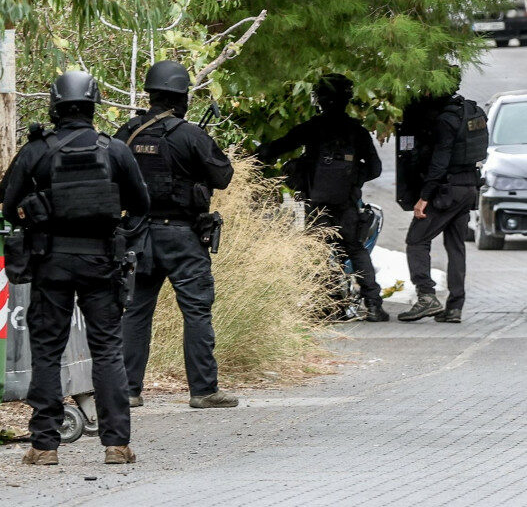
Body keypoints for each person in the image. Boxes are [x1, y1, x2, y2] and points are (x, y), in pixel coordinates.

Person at [2, 70, 150, 465]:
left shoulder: (37, 151)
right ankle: (116, 445)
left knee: (47, 351)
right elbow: (141, 206)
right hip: (101, 262)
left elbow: (8, 206)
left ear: (55, 106)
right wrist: (118, 233)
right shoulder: (114, 150)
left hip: (50, 263)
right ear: (93, 105)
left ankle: (44, 446)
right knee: (107, 349)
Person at [114, 60, 238, 409]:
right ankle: (203, 391)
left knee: (135, 312)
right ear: (182, 97)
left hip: (137, 234)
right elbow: (223, 177)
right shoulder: (190, 135)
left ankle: (128, 390)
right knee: (196, 311)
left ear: (151, 94)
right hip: (182, 236)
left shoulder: (128, 132)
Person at [257, 73, 389, 322]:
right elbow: (375, 169)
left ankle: (324, 306)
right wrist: (352, 180)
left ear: (319, 99)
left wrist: (251, 156)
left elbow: (277, 147)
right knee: (355, 249)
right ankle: (373, 305)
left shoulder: (312, 128)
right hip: (346, 203)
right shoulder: (357, 131)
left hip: (315, 203)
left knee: (316, 250)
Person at [398, 72, 488, 323]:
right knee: (456, 247)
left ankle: (426, 296)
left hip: (446, 191)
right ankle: (455, 307)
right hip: (468, 187)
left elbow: (440, 162)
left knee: (416, 240)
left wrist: (424, 197)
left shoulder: (445, 120)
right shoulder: (471, 111)